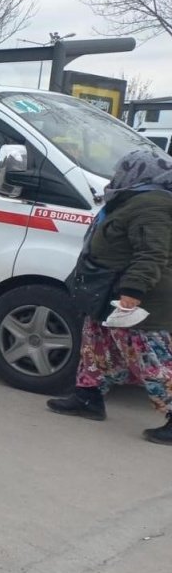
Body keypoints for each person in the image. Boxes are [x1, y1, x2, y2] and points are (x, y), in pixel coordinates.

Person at [47, 148, 172, 446]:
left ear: (139, 172)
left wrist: (133, 292)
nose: (118, 173)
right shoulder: (133, 199)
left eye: (125, 168)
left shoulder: (152, 204)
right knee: (96, 346)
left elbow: (152, 253)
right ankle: (87, 397)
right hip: (106, 292)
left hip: (137, 299)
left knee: (152, 360)